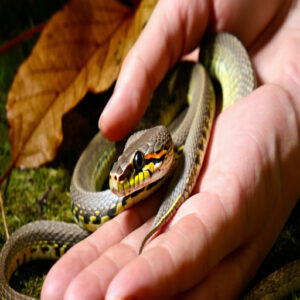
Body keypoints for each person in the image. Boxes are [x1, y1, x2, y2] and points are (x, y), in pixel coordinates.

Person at [41, 0, 300, 299]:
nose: (119, 182)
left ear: (163, 153)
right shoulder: (165, 133)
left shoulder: (183, 119)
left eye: (139, 163)